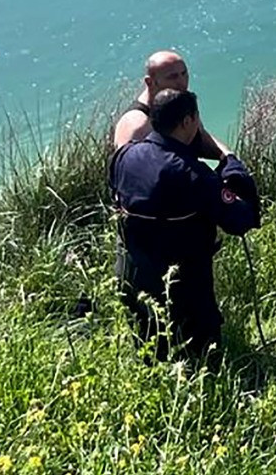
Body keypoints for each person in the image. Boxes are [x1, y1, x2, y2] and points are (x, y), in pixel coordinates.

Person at [109, 89, 261, 366]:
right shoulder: (193, 175)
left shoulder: (125, 156)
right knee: (203, 356)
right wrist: (230, 162)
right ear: (189, 121)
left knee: (150, 347)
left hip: (135, 274)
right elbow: (240, 219)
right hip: (184, 286)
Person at [113, 50, 231, 160]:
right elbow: (129, 171)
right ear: (150, 82)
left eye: (184, 74)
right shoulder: (137, 124)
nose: (182, 82)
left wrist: (228, 158)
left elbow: (201, 139)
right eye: (173, 77)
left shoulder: (182, 104)